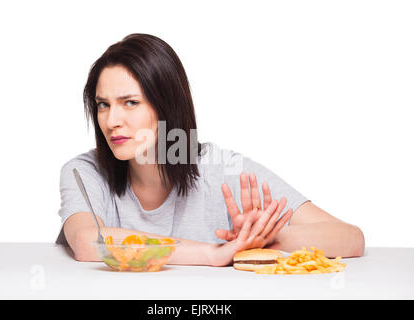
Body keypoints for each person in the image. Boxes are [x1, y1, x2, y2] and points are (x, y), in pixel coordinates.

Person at [56, 33, 365, 266]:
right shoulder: (83, 172)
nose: (112, 121)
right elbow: (89, 241)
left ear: (166, 107)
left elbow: (350, 238)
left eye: (130, 103)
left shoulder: (220, 168)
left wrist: (260, 240)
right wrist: (210, 253)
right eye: (102, 105)